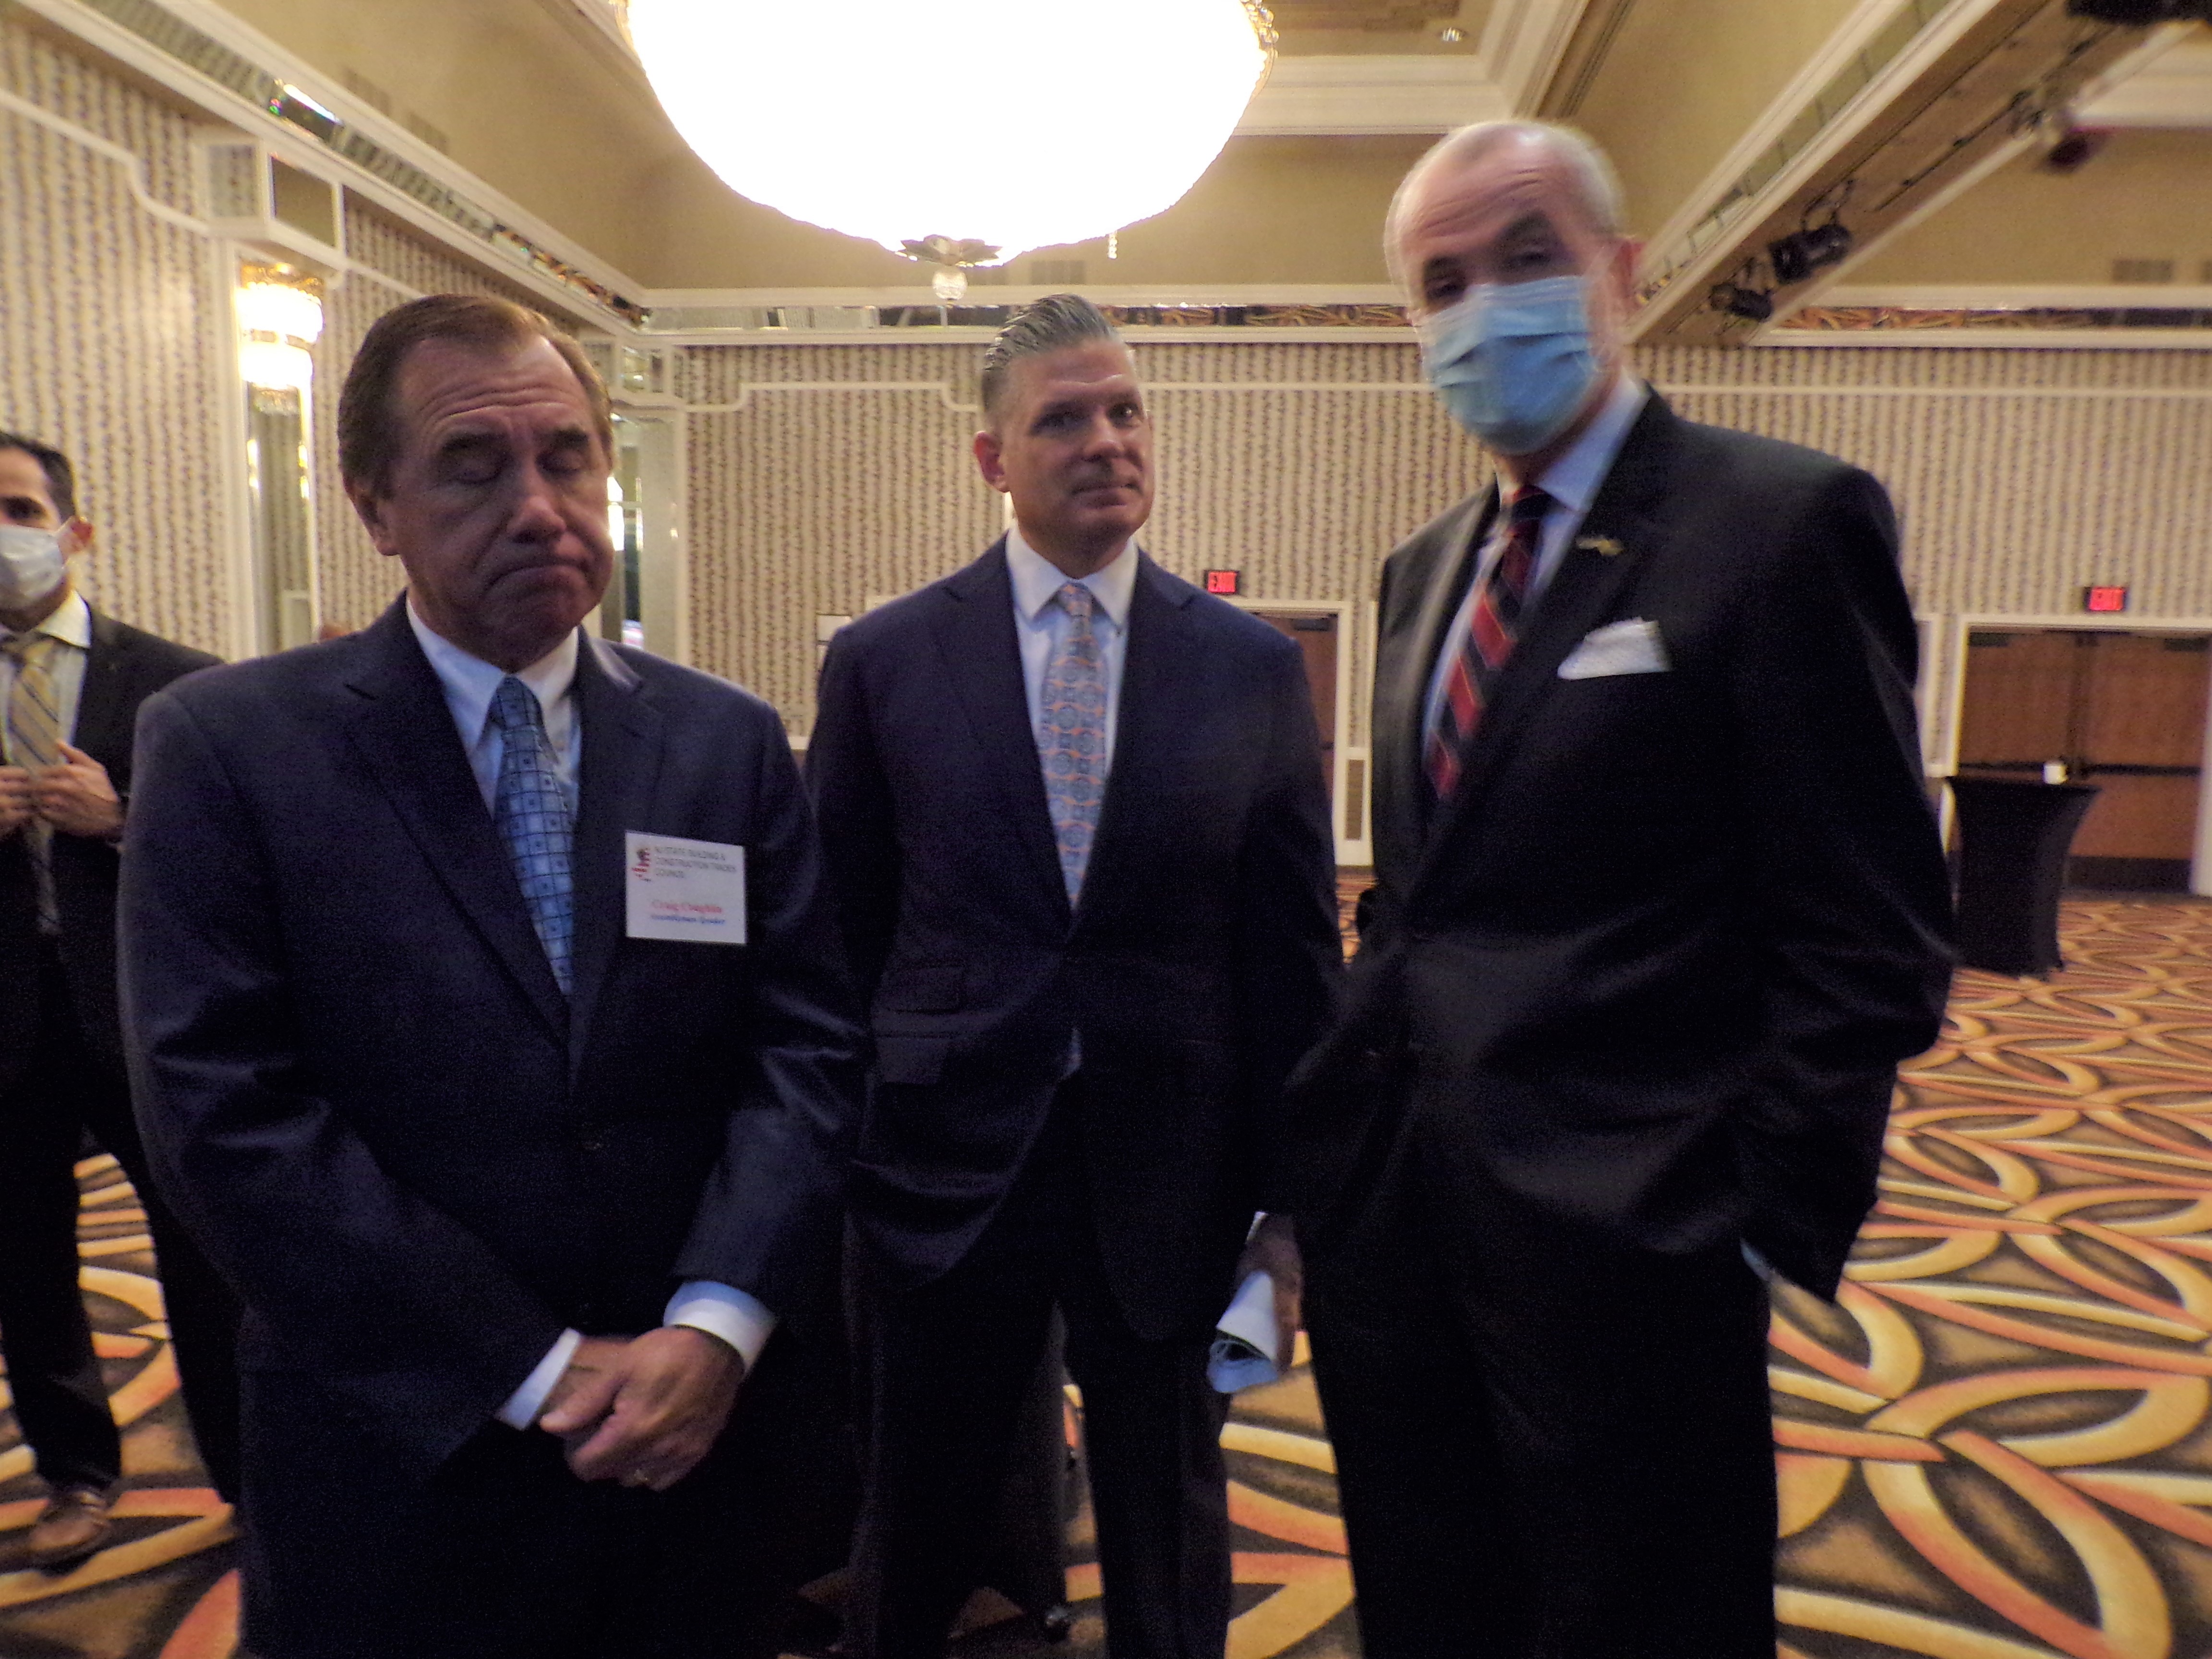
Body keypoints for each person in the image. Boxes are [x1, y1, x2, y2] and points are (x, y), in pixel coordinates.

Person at [1285, 122, 1955, 1658]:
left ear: (1625, 276)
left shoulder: (1778, 524)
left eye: (1526, 258)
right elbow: (1418, 902)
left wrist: (1749, 1215)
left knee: (1640, 1610)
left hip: (1637, 1238)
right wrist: (1338, 1157)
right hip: (1405, 1227)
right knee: (1434, 1594)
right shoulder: (1421, 569)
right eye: (1439, 283)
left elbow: (1874, 935)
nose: (1482, 309)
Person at [118, 295, 864, 1659]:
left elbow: (805, 1053)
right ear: (373, 504)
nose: (538, 507)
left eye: (569, 458)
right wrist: (525, 1367)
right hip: (397, 1447)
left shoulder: (726, 742)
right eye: (474, 466)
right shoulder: (231, 748)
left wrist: (716, 1322)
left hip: (693, 1444)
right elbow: (222, 1112)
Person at [807, 293, 1341, 1659]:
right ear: (994, 458)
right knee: (916, 1504)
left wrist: (1288, 1208)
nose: (1107, 441)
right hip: (942, 1167)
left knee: (1169, 1514)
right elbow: (837, 938)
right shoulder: (885, 663)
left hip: (1173, 1165)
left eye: (1125, 409)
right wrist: (853, 1146)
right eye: (1063, 418)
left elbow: (1287, 954)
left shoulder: (1252, 669)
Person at [0, 432, 240, 1565]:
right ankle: (79, 1475)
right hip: (7, 1026)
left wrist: (126, 818)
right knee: (26, 1261)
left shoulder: (178, 683)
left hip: (149, 1022)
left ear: (72, 531)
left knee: (209, 1249)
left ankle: (250, 1470)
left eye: (14, 509)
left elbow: (243, 867)